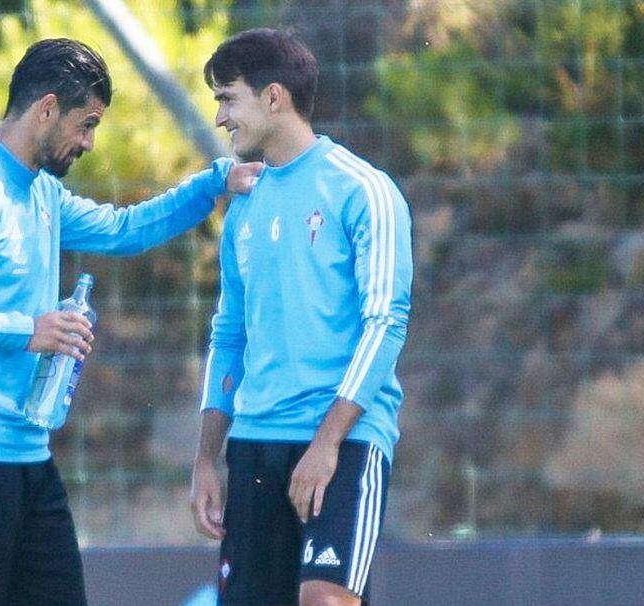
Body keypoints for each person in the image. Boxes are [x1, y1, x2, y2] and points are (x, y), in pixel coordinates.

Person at [0, 38, 261, 606]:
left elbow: (124, 229)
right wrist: (27, 329)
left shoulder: (42, 192)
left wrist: (215, 181)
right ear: (45, 108)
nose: (89, 142)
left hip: (28, 458)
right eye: (85, 123)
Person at [190, 29, 413, 606]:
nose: (220, 117)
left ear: (272, 97)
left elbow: (385, 321)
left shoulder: (364, 190)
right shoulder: (244, 204)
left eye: (227, 98)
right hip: (255, 443)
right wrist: (206, 460)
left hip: (343, 441)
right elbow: (228, 333)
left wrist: (327, 443)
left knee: (325, 601)